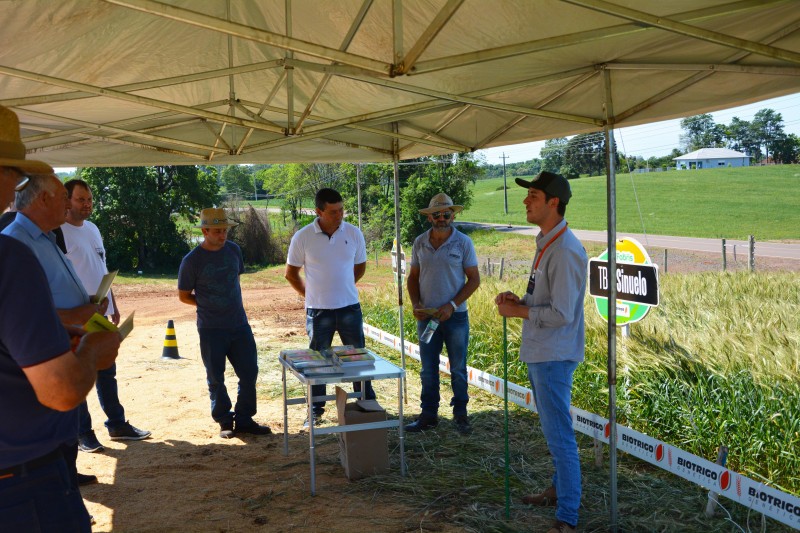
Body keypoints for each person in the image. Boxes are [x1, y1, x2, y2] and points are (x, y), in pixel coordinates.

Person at [0, 104, 121, 532]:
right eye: (12, 173)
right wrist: (91, 348)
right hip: (21, 476)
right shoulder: (9, 252)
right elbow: (60, 391)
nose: (13, 186)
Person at [495, 171, 587, 533]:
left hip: (553, 354)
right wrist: (522, 301)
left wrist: (517, 311)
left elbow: (563, 314)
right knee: (554, 432)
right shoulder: (548, 241)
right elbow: (548, 300)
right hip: (543, 351)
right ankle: (560, 490)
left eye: (533, 195)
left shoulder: (564, 251)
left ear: (554, 202)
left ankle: (567, 515)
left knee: (559, 435)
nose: (525, 200)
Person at [62, 179, 151, 452]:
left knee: (106, 370)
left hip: (100, 312)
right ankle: (83, 433)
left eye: (89, 199)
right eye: (81, 200)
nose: (87, 204)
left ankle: (116, 424)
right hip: (76, 316)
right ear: (66, 201)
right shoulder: (57, 233)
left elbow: (101, 268)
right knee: (79, 374)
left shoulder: (93, 229)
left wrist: (112, 302)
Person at [178, 208, 271, 439]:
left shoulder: (234, 251)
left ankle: (245, 419)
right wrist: (208, 305)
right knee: (216, 377)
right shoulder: (192, 261)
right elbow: (183, 295)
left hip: (239, 324)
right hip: (211, 329)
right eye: (217, 231)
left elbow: (234, 281)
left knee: (249, 372)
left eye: (225, 230)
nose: (223, 235)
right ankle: (224, 421)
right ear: (204, 231)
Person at [284, 188, 373, 428]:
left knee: (357, 358)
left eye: (342, 209)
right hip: (318, 311)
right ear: (319, 211)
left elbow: (360, 266)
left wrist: (344, 286)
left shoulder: (354, 233)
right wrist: (309, 294)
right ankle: (315, 410)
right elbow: (291, 274)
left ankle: (367, 403)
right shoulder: (302, 237)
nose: (340, 215)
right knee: (318, 362)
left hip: (349, 308)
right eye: (333, 211)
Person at [406, 193, 480, 435]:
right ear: (429, 217)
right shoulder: (419, 242)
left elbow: (474, 279)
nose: (442, 218)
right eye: (436, 214)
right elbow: (413, 278)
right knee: (428, 368)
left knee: (458, 367)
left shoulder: (463, 243)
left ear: (453, 215)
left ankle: (461, 415)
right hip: (427, 317)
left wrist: (452, 305)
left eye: (446, 214)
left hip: (455, 317)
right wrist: (416, 304)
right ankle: (428, 415)